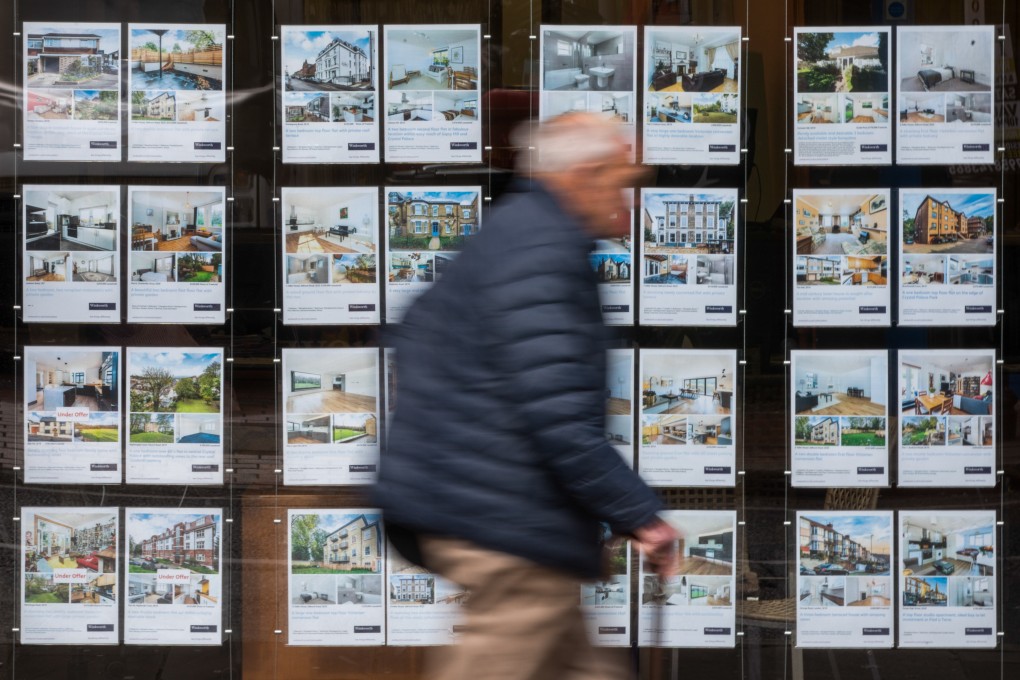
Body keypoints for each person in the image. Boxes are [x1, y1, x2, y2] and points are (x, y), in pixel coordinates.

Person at [375, 113, 678, 680]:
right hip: (506, 528)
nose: (633, 200)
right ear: (586, 175)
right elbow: (559, 420)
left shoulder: (516, 232)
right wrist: (640, 515)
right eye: (625, 182)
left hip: (498, 509)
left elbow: (414, 336)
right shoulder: (542, 253)